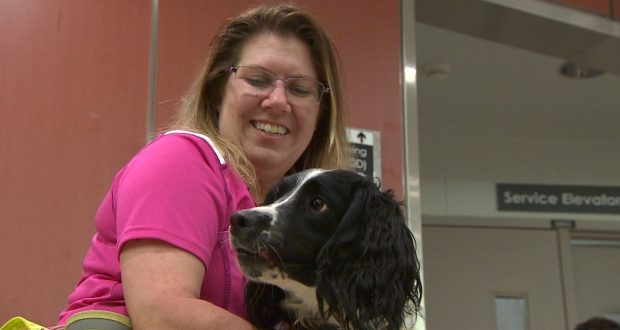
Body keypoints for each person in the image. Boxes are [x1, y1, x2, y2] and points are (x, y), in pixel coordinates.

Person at [57, 3, 351, 329]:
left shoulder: (295, 209)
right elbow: (163, 316)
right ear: (217, 93)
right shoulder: (180, 160)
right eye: (257, 79)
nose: (278, 101)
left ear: (321, 113)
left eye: (299, 89)